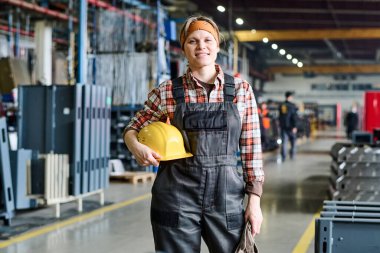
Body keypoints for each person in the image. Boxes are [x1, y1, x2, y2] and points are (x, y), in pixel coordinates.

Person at [123, 16, 264, 253]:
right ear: (184, 48)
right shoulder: (168, 91)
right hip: (176, 195)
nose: (201, 46)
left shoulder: (240, 90)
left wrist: (255, 201)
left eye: (208, 40)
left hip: (226, 197)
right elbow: (133, 127)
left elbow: (251, 148)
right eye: (193, 41)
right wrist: (135, 146)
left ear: (218, 46)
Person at [278, 91, 298, 161]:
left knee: (284, 142)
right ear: (289, 97)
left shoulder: (282, 105)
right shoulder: (292, 106)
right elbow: (294, 117)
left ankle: (283, 157)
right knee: (293, 141)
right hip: (291, 127)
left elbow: (280, 116)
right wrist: (295, 126)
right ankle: (292, 155)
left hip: (283, 127)